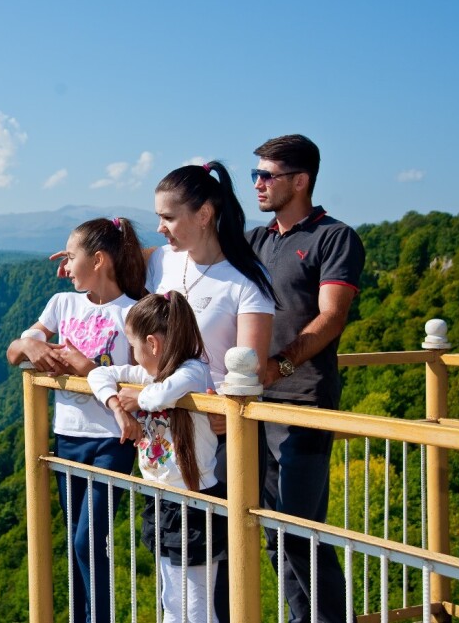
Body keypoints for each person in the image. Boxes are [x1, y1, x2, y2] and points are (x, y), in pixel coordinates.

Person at [143, 160, 277, 621]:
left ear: (204, 214)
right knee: (169, 566)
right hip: (165, 438)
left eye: (169, 217)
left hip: (220, 442)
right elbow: (121, 256)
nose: (160, 228)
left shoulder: (246, 282)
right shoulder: (163, 261)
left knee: (209, 571)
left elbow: (251, 372)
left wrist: (218, 408)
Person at [247, 134, 365, 623]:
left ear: (300, 181)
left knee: (300, 532)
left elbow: (331, 318)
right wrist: (111, 248)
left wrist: (280, 366)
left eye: (266, 175)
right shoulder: (256, 239)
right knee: (274, 531)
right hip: (254, 403)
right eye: (255, 175)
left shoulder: (334, 238)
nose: (257, 184)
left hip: (304, 403)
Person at [7, 216, 148, 623]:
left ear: (99, 260)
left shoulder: (134, 313)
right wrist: (28, 345)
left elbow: (144, 382)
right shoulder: (61, 304)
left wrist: (89, 370)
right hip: (67, 437)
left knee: (90, 541)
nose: (64, 267)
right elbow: (14, 352)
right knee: (77, 541)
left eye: (71, 257)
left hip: (111, 441)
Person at [87, 291, 224, 623]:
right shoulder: (150, 375)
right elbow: (98, 374)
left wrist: (137, 397)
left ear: (152, 343)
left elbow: (161, 395)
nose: (132, 357)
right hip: (161, 499)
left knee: (196, 606)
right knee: (172, 600)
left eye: (133, 346)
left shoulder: (193, 371)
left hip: (195, 503)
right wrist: (117, 407)